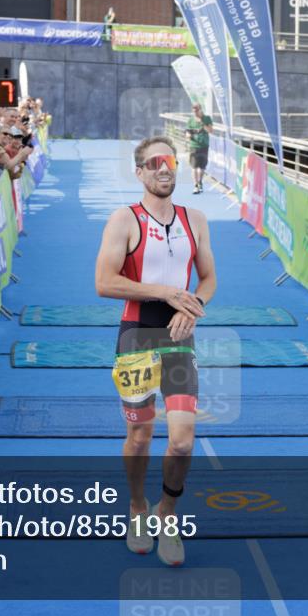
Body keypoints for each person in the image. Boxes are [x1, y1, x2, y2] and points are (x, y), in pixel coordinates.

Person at [94, 135, 216, 567]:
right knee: (140, 434)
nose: (165, 169)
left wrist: (193, 307)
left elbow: (207, 280)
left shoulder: (195, 219)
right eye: (155, 162)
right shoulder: (123, 219)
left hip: (179, 338)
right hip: (137, 336)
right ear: (140, 171)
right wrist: (165, 292)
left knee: (182, 442)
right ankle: (136, 508)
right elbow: (105, 283)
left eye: (171, 161)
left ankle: (167, 513)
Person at [185, 103, 213, 194]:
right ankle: (196, 185)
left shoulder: (207, 118)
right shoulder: (190, 120)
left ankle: (200, 182)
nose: (195, 113)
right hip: (194, 146)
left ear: (200, 110)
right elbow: (187, 132)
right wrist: (188, 135)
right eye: (194, 111)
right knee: (194, 167)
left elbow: (210, 131)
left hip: (204, 145)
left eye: (197, 111)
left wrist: (202, 123)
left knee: (202, 167)